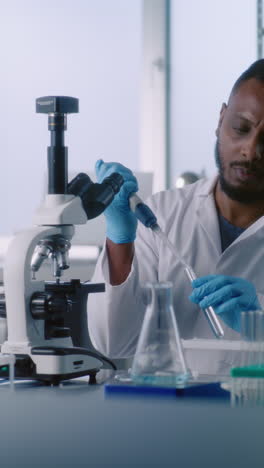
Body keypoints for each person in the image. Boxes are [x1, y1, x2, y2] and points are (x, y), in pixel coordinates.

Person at [88, 59, 264, 374]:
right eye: (240, 128)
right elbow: (113, 342)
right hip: (169, 416)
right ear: (221, 118)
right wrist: (119, 241)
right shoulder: (164, 214)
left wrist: (260, 315)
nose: (250, 150)